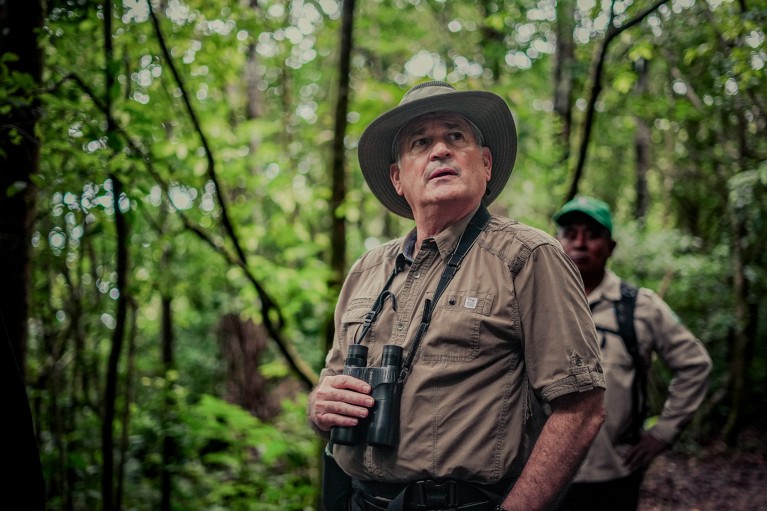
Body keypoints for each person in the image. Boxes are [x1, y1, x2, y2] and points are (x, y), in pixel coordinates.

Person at [308, 81, 606, 511]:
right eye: (420, 142)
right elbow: (328, 388)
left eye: (456, 136)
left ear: (485, 164)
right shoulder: (367, 271)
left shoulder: (526, 256)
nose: (440, 151)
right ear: (398, 178)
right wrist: (319, 406)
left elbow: (581, 410)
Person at [553, 196, 712, 511]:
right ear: (557, 243)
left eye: (592, 234)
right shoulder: (537, 302)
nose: (580, 243)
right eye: (571, 233)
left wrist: (663, 433)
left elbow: (695, 365)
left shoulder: (639, 307)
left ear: (610, 247)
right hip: (542, 474)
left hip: (613, 473)